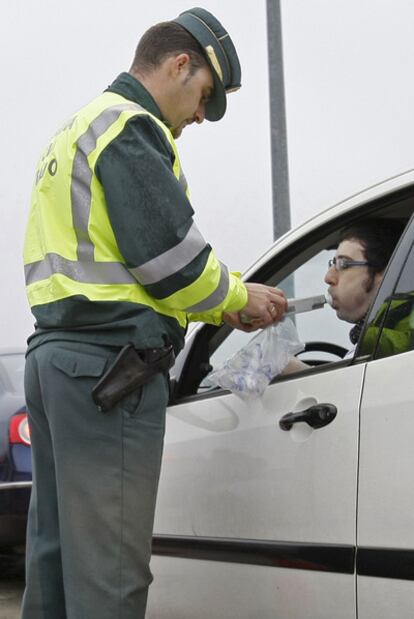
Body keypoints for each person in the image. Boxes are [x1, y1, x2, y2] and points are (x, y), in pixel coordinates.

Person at [21, 8, 286, 619]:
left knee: (58, 560)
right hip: (110, 372)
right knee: (109, 574)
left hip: (59, 361)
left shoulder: (75, 131)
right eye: (203, 97)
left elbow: (129, 266)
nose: (199, 115)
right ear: (179, 64)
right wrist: (241, 298)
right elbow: (170, 260)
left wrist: (224, 299)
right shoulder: (131, 126)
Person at [285, 218, 405, 373]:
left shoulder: (390, 342)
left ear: (386, 273)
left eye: (344, 264)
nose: (328, 277)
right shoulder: (381, 339)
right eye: (333, 263)